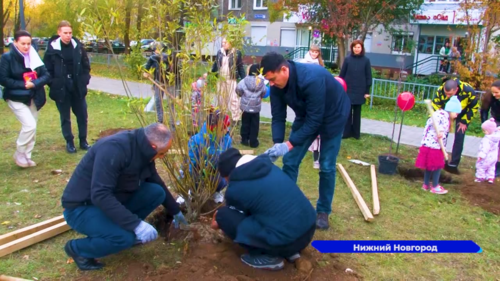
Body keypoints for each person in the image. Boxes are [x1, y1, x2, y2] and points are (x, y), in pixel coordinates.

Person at [61, 123, 187, 271]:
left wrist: (175, 210)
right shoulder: (114, 149)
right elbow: (100, 195)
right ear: (153, 147)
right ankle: (77, 249)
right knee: (123, 238)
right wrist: (136, 225)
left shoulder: (143, 149)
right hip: (82, 208)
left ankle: (123, 229)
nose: (162, 157)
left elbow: (154, 178)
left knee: (156, 192)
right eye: (162, 153)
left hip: (112, 200)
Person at [260, 52, 350, 230]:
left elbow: (315, 121)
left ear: (284, 70)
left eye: (272, 79)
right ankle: (283, 203)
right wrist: (278, 144)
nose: (271, 84)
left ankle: (323, 211)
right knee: (290, 160)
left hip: (333, 115)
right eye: (268, 80)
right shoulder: (277, 86)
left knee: (326, 165)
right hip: (307, 114)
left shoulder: (311, 78)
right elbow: (278, 116)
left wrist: (290, 143)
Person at [213, 148, 316, 270]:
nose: (225, 181)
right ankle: (290, 251)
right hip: (308, 230)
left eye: (224, 177)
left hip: (286, 242)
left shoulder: (236, 188)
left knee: (223, 215)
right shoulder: (267, 166)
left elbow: (234, 215)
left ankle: (269, 256)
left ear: (228, 174)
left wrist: (217, 220)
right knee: (270, 212)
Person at [0, 30, 50, 168]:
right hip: (15, 97)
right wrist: (23, 85)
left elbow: (46, 75)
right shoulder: (7, 58)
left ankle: (27, 156)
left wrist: (34, 83)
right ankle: (19, 152)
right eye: (23, 44)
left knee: (32, 128)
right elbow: (3, 79)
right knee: (29, 125)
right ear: (15, 42)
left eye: (29, 44)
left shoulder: (34, 57)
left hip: (34, 96)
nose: (26, 47)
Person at [43, 20, 91, 154]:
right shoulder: (52, 50)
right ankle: (69, 142)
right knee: (65, 117)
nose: (68, 36)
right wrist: (53, 83)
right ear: (59, 33)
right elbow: (46, 69)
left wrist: (84, 80)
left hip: (77, 87)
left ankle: (83, 140)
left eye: (70, 33)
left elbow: (86, 66)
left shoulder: (78, 47)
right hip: (61, 89)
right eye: (65, 33)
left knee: (82, 115)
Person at [179, 109, 232, 204]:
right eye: (225, 127)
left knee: (223, 178)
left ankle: (215, 191)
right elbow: (192, 163)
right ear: (216, 129)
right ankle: (189, 191)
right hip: (198, 170)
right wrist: (189, 180)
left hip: (215, 171)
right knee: (186, 170)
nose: (227, 130)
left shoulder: (226, 140)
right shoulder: (196, 140)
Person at [415, 96, 462, 194]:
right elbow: (433, 122)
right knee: (437, 166)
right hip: (433, 146)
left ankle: (425, 184)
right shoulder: (440, 115)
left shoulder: (444, 117)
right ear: (451, 110)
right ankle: (435, 186)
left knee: (429, 166)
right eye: (456, 112)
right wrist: (439, 131)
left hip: (431, 145)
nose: (457, 115)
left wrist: (444, 149)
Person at [432, 78, 478, 174]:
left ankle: (453, 164)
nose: (447, 96)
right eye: (446, 94)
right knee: (442, 135)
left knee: (459, 136)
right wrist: (439, 119)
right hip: (445, 113)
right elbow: (436, 104)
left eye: (450, 94)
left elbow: (473, 107)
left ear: (456, 90)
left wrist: (465, 121)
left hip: (462, 115)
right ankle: (440, 159)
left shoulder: (468, 91)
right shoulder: (441, 90)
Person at [340, 39, 372, 140]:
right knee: (348, 112)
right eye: (355, 47)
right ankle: (347, 132)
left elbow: (368, 76)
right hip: (348, 90)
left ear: (361, 48)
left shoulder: (366, 60)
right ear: (352, 48)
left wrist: (367, 91)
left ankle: (356, 133)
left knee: (357, 113)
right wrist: (340, 88)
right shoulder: (347, 59)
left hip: (360, 90)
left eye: (358, 47)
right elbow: (342, 75)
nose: (356, 49)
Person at [211, 38, 246, 126]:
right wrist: (212, 76)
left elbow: (240, 66)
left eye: (225, 42)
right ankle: (223, 117)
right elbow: (216, 65)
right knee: (222, 99)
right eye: (222, 42)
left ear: (231, 43)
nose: (223, 44)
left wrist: (244, 79)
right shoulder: (220, 52)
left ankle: (236, 119)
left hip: (232, 78)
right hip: (221, 79)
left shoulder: (236, 53)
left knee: (234, 99)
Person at [300, 44, 325, 169]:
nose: (314, 54)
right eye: (312, 52)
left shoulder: (320, 63)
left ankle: (316, 149)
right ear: (309, 51)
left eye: (316, 52)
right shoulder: (304, 62)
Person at [143, 42, 175, 126]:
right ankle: (160, 120)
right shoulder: (152, 58)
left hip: (170, 83)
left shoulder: (168, 57)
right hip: (158, 83)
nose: (156, 51)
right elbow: (146, 69)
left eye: (157, 49)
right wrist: (146, 73)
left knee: (171, 103)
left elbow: (174, 69)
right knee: (158, 101)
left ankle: (172, 122)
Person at [236, 63, 266, 148]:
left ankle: (244, 139)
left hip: (245, 107)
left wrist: (242, 95)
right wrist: (260, 96)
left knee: (245, 123)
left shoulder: (244, 81)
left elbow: (238, 89)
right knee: (255, 125)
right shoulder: (261, 82)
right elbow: (264, 92)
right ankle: (253, 142)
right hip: (256, 108)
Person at [480, 80, 500, 177]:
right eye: (493, 92)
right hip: (495, 120)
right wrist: (485, 125)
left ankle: (498, 166)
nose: (494, 94)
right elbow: (484, 110)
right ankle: (486, 164)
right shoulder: (490, 97)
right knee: (492, 142)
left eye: (496, 92)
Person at [475, 118, 500, 183]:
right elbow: (496, 130)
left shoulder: (487, 139)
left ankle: (480, 177)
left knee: (481, 166)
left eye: (484, 131)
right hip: (494, 157)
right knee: (491, 167)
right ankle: (490, 178)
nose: (483, 132)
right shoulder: (496, 136)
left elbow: (484, 148)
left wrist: (481, 156)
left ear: (488, 130)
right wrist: (497, 129)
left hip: (486, 157)